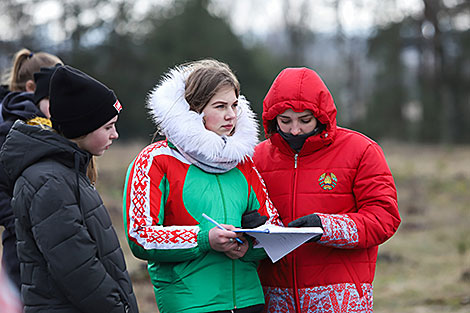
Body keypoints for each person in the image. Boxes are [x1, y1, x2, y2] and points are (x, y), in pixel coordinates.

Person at [123, 59, 281, 313]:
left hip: (249, 299)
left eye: (234, 105)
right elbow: (140, 236)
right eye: (220, 106)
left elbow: (276, 228)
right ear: (193, 110)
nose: (231, 115)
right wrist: (204, 239)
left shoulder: (244, 163)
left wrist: (249, 246)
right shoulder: (154, 161)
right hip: (189, 303)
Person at [253, 67, 401, 312]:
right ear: (271, 118)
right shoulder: (256, 157)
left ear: (321, 117)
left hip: (341, 297)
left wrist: (326, 227)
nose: (295, 130)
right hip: (273, 296)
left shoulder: (361, 150)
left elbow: (384, 218)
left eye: (305, 120)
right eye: (285, 121)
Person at [0, 65, 138, 313]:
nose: (115, 134)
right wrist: (118, 308)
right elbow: (77, 268)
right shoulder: (49, 182)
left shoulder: (70, 172)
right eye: (108, 127)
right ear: (81, 127)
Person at [0, 51, 63, 290]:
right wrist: (20, 222)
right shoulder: (11, 129)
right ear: (31, 87)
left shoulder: (49, 125)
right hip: (21, 243)